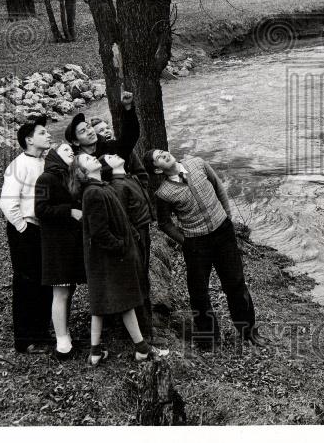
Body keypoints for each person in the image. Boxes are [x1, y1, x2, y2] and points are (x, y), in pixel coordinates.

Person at [145, 148, 266, 350]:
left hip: (223, 233)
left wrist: (226, 216)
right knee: (199, 293)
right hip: (196, 244)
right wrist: (186, 240)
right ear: (158, 170)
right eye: (158, 158)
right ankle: (209, 340)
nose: (164, 154)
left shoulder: (197, 163)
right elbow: (164, 223)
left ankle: (248, 331)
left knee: (236, 283)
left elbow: (218, 186)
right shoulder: (164, 193)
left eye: (162, 152)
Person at [76, 152, 167, 365]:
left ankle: (97, 351)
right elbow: (99, 231)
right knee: (123, 301)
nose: (94, 159)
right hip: (108, 258)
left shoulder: (101, 187)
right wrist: (120, 246)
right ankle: (141, 348)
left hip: (107, 257)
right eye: (88, 160)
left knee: (105, 302)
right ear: (83, 173)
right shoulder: (93, 193)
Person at [0, 116, 54, 354]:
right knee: (26, 283)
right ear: (29, 140)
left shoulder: (43, 162)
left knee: (45, 281)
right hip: (25, 230)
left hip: (43, 229)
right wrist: (24, 229)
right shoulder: (18, 165)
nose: (48, 135)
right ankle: (25, 339)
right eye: (42, 133)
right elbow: (7, 204)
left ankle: (42, 332)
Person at [34, 142, 86, 360]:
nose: (71, 152)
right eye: (65, 150)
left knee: (69, 290)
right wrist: (70, 211)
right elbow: (40, 209)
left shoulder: (70, 176)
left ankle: (66, 335)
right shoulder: (45, 178)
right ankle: (62, 344)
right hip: (56, 245)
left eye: (71, 151)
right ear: (54, 154)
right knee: (61, 292)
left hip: (71, 243)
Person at [104, 152, 155, 342]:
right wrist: (135, 237)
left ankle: (147, 328)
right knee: (139, 279)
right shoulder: (118, 186)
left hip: (143, 231)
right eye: (110, 157)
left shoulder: (128, 177)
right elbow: (122, 217)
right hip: (136, 236)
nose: (115, 155)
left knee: (143, 278)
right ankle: (144, 332)